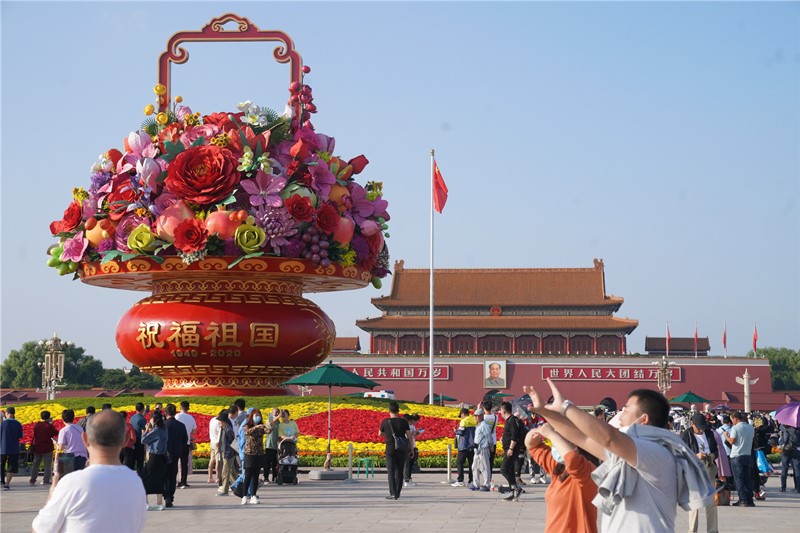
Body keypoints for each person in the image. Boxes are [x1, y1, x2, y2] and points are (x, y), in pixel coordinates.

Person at [529, 379, 714, 532]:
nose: (620, 413)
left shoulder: (656, 451)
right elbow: (583, 439)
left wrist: (566, 407)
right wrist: (544, 411)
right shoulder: (628, 455)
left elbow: (609, 438)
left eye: (626, 409)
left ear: (644, 419)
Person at [31, 409, 147, 533]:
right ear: (126, 439)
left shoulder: (72, 483)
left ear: (85, 439)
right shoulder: (136, 483)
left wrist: (52, 495)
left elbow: (41, 530)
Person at [525, 423, 599, 533]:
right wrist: (538, 431)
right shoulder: (559, 469)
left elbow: (572, 458)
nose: (555, 446)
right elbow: (532, 446)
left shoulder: (588, 471)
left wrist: (551, 434)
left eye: (562, 440)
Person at [681, 413, 719, 533]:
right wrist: (695, 455)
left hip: (709, 468)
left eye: (703, 426)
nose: (701, 429)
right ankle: (692, 530)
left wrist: (712, 455)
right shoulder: (686, 435)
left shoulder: (709, 433)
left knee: (711, 503)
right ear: (692, 424)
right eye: (699, 427)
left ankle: (713, 530)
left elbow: (716, 450)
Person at [378, 401, 412, 500]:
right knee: (399, 471)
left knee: (391, 471)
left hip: (390, 449)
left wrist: (387, 435)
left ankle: (392, 493)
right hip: (401, 449)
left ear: (389, 411)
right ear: (398, 411)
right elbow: (409, 436)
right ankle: (397, 492)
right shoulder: (403, 422)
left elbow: (379, 434)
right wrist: (411, 449)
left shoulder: (385, 421)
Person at [723, 411, 755, 507]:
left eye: (732, 419)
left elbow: (732, 441)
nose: (732, 421)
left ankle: (742, 500)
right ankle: (750, 499)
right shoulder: (750, 427)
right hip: (747, 455)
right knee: (748, 478)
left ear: (735, 418)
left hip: (737, 456)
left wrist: (726, 436)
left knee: (739, 479)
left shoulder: (735, 428)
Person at [140, 410, 168, 511]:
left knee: (144, 478)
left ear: (154, 419)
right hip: (161, 457)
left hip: (153, 456)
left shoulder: (156, 430)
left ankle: (145, 502)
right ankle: (159, 502)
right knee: (159, 478)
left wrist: (146, 431)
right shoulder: (164, 429)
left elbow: (143, 440)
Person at [499, 401, 526, 501]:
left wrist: (511, 448)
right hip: (509, 448)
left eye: (501, 410)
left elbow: (514, 436)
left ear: (504, 410)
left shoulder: (512, 420)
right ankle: (513, 492)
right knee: (509, 469)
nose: (500, 412)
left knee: (504, 469)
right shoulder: (510, 420)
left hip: (512, 449)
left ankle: (516, 488)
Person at [163, 403, 188, 508]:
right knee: (173, 475)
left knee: (164, 475)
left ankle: (166, 495)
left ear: (165, 413)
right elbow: (185, 440)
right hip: (176, 453)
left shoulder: (163, 424)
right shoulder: (181, 425)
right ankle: (171, 496)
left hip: (164, 453)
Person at [242, 409, 267, 505]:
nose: (258, 417)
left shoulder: (261, 426)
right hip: (249, 453)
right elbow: (247, 432)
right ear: (252, 416)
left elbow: (268, 430)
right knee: (248, 475)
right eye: (256, 415)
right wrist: (257, 427)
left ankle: (253, 495)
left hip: (259, 453)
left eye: (259, 415)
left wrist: (272, 423)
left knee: (255, 476)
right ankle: (244, 496)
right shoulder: (247, 425)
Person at [29, 410, 59, 485]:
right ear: (49, 417)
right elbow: (56, 432)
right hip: (47, 448)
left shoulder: (37, 425)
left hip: (37, 447)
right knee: (47, 465)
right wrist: (51, 424)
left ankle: (33, 479)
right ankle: (46, 480)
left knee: (36, 463)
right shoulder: (49, 426)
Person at [57, 409, 89, 474]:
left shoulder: (64, 430)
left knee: (69, 478)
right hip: (82, 457)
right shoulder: (80, 428)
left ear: (62, 418)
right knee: (79, 477)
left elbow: (61, 447)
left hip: (70, 457)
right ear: (73, 417)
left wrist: (56, 444)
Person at [175, 401, 197, 489]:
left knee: (176, 462)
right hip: (186, 442)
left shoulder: (177, 416)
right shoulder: (191, 418)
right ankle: (184, 481)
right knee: (184, 463)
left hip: (177, 442)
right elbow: (194, 431)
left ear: (180, 407)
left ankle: (176, 480)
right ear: (188, 408)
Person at [0, 406, 24, 490]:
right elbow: (21, 435)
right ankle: (7, 483)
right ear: (14, 414)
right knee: (11, 466)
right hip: (14, 448)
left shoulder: (2, 424)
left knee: (1, 465)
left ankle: (1, 480)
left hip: (2, 448)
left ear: (6, 414)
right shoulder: (18, 424)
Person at [452, 408, 475, 487]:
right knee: (471, 464)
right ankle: (471, 481)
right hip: (472, 446)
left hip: (464, 445)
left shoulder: (464, 421)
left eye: (461, 415)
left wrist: (456, 431)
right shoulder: (474, 420)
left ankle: (460, 480)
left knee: (459, 462)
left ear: (463, 414)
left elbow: (461, 432)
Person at [217, 409, 237, 496]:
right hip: (226, 452)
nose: (219, 423)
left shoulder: (228, 430)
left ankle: (224, 490)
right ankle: (239, 487)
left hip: (228, 453)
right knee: (232, 473)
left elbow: (232, 442)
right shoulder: (225, 429)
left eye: (220, 422)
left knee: (225, 472)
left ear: (224, 422)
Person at [471, 409, 492, 492]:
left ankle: (487, 484)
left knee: (485, 467)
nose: (475, 417)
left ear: (481, 416)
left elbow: (489, 437)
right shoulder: (479, 425)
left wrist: (490, 446)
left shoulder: (484, 425)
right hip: (477, 449)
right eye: (475, 415)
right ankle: (476, 484)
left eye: (477, 415)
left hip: (483, 448)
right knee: (474, 467)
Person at [481, 400, 498, 486]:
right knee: (490, 462)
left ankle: (485, 480)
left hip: (484, 442)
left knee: (484, 462)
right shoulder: (495, 417)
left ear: (483, 408)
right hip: (493, 441)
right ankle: (489, 478)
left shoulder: (482, 418)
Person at [779, 423, 799, 493]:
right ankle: (798, 488)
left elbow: (783, 440)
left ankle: (783, 488)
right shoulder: (797, 428)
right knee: (797, 469)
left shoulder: (785, 428)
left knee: (784, 468)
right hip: (796, 450)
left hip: (786, 450)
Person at [264, 407, 281, 484]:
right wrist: (277, 417)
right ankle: (266, 477)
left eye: (278, 412)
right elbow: (271, 424)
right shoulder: (270, 419)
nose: (277, 414)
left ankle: (274, 477)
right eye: (275, 412)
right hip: (269, 445)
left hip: (275, 445)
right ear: (272, 412)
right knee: (268, 462)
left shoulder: (278, 422)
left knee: (275, 463)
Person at [129, 403, 147, 474]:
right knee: (140, 461)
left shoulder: (132, 417)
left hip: (132, 441)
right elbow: (144, 432)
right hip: (139, 441)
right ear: (143, 409)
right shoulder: (142, 419)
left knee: (132, 461)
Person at [208, 409, 222, 485]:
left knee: (212, 459)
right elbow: (220, 432)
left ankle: (210, 477)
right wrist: (219, 441)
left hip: (212, 441)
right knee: (218, 460)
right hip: (217, 442)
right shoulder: (219, 422)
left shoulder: (212, 419)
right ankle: (217, 477)